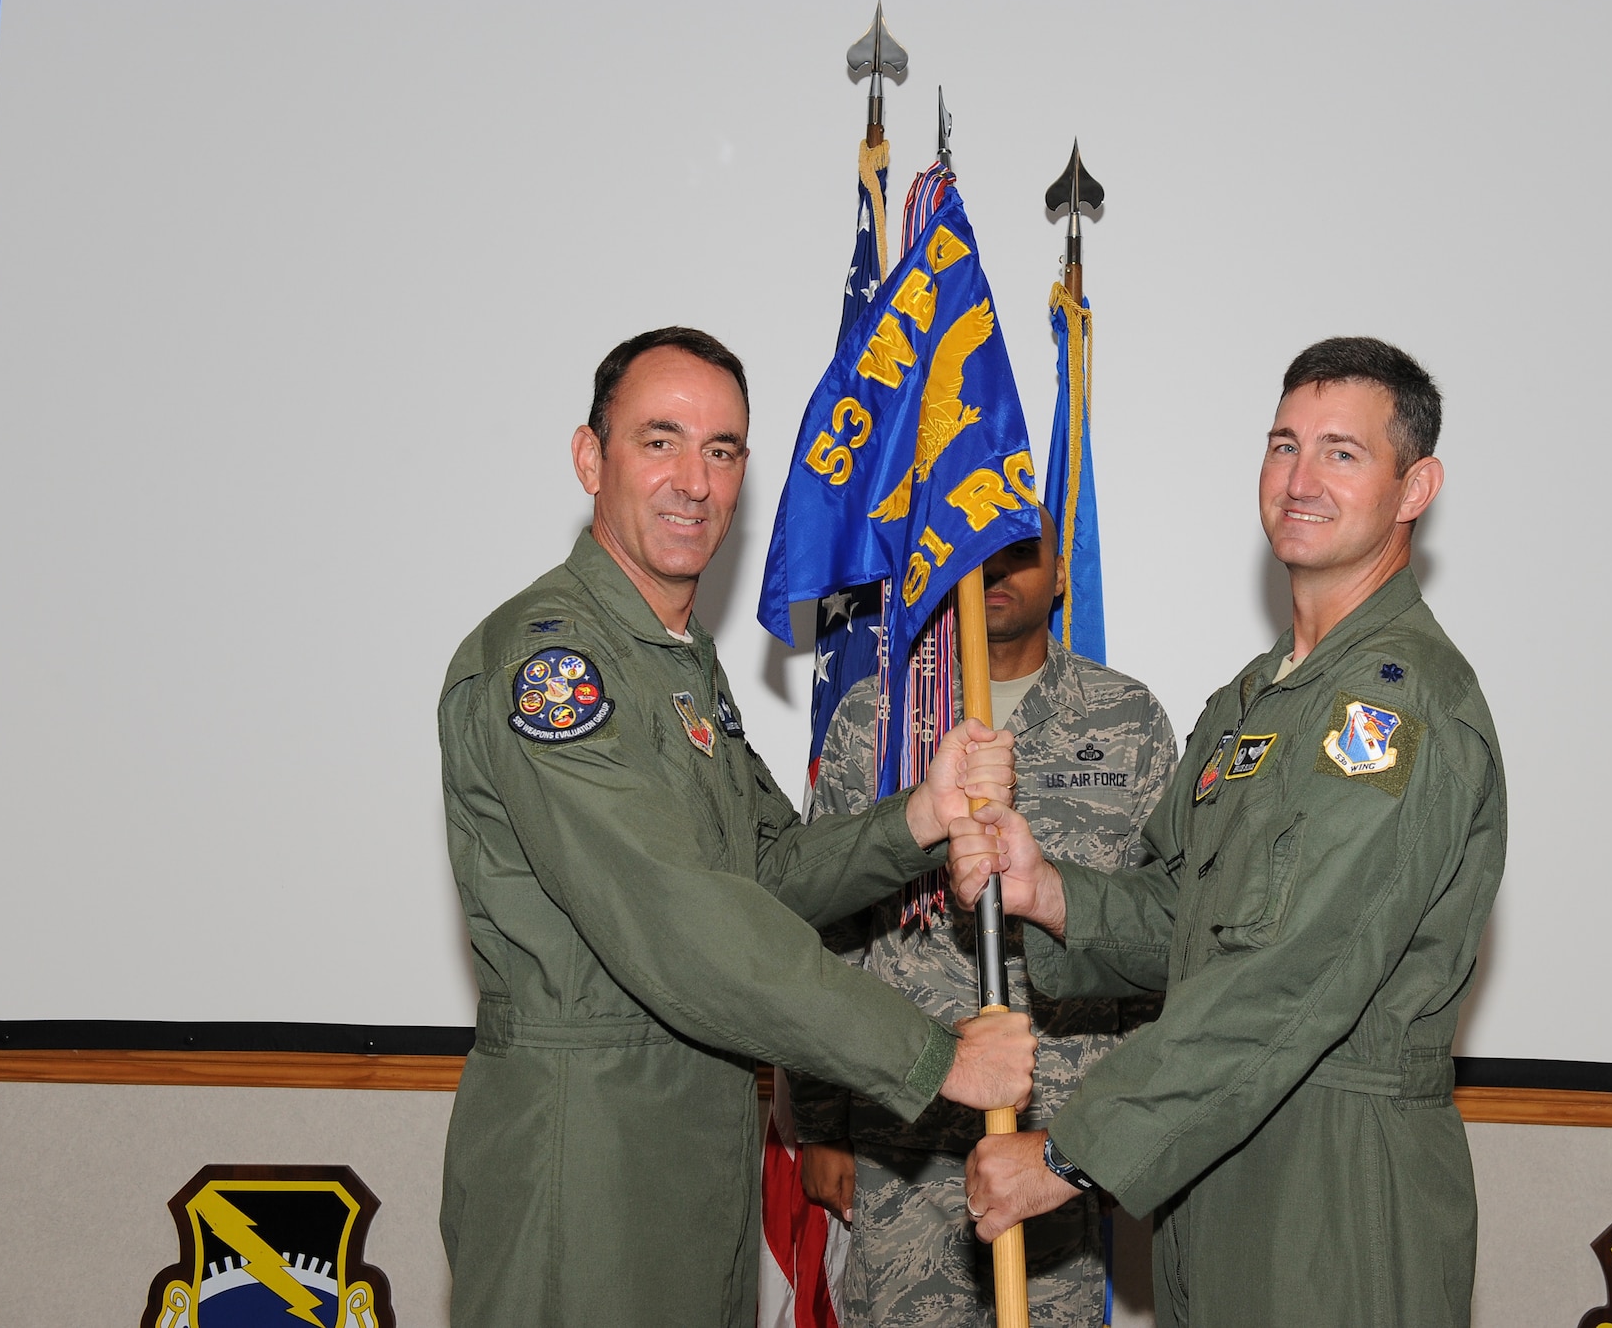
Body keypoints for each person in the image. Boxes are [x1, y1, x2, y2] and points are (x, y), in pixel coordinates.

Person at [436, 327, 1037, 1328]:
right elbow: (683, 917)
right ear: (591, 458)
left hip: (692, 1130)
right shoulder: (550, 666)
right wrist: (930, 1056)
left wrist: (916, 819)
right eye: (658, 441)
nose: (692, 480)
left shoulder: (676, 662)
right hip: (585, 1145)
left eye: (720, 451)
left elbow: (761, 866)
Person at [953, 337, 1507, 1327]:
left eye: (1342, 452)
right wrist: (1051, 891)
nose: (1299, 478)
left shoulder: (1394, 708)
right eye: (1283, 444)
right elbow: (1187, 917)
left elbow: (1286, 975)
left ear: (1412, 485)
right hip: (1214, 1169)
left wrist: (1070, 1150)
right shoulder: (1252, 700)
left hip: (1330, 1184)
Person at [790, 506, 1179, 1326]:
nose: (994, 573)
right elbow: (825, 931)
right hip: (899, 1144)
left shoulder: (1129, 722)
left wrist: (1116, 1141)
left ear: (1062, 572)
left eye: (1019, 551)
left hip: (1053, 1147)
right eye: (976, 552)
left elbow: (1157, 938)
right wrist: (820, 1124)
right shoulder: (878, 717)